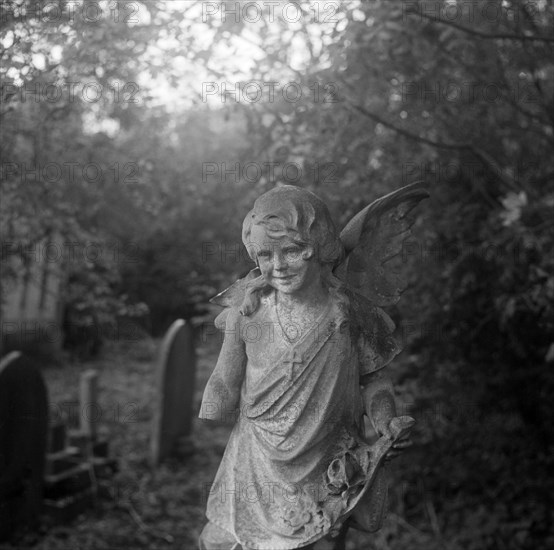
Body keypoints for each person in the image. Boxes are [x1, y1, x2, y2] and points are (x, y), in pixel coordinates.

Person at [199, 185, 415, 550]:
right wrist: (214, 402)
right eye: (265, 255)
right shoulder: (247, 312)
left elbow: (374, 380)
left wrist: (384, 421)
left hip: (325, 465)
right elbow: (224, 377)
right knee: (218, 542)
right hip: (255, 461)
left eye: (293, 251)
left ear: (321, 248)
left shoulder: (349, 312)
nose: (278, 266)